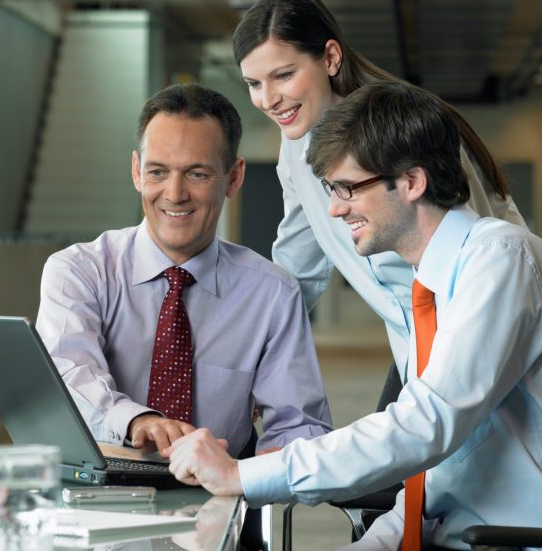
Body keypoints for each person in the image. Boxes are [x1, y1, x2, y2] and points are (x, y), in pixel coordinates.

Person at [168, 81, 542, 550]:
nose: (333, 208)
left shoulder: (500, 260)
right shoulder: (427, 290)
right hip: (449, 529)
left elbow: (426, 425)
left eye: (348, 187)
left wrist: (243, 474)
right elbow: (437, 478)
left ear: (411, 181)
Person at [232, 0, 525, 378]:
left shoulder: (408, 130)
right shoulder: (295, 152)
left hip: (479, 341)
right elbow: (298, 268)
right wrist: (251, 360)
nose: (268, 99)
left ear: (331, 58)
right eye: (253, 84)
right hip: (414, 348)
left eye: (283, 76)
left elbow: (485, 254)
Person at [36, 82, 332, 460]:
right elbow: (68, 377)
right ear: (136, 172)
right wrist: (136, 421)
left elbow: (301, 426)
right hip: (98, 492)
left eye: (197, 174)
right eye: (158, 172)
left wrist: (254, 473)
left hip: (219, 495)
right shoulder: (78, 272)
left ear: (234, 177)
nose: (175, 194)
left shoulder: (272, 294)